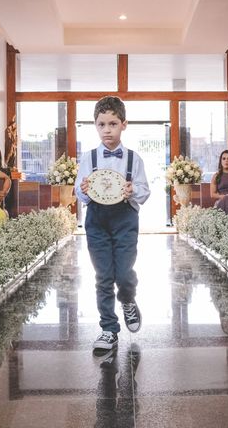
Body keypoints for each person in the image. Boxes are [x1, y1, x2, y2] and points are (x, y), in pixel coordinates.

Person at [76, 96, 151, 352]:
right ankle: (108, 328)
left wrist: (132, 190)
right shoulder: (88, 158)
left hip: (125, 219)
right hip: (96, 220)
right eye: (101, 124)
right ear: (95, 126)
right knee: (103, 275)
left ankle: (128, 299)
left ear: (124, 125)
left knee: (123, 273)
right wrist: (84, 190)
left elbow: (144, 191)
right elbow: (80, 192)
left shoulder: (134, 159)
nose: (107, 130)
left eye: (113, 124)